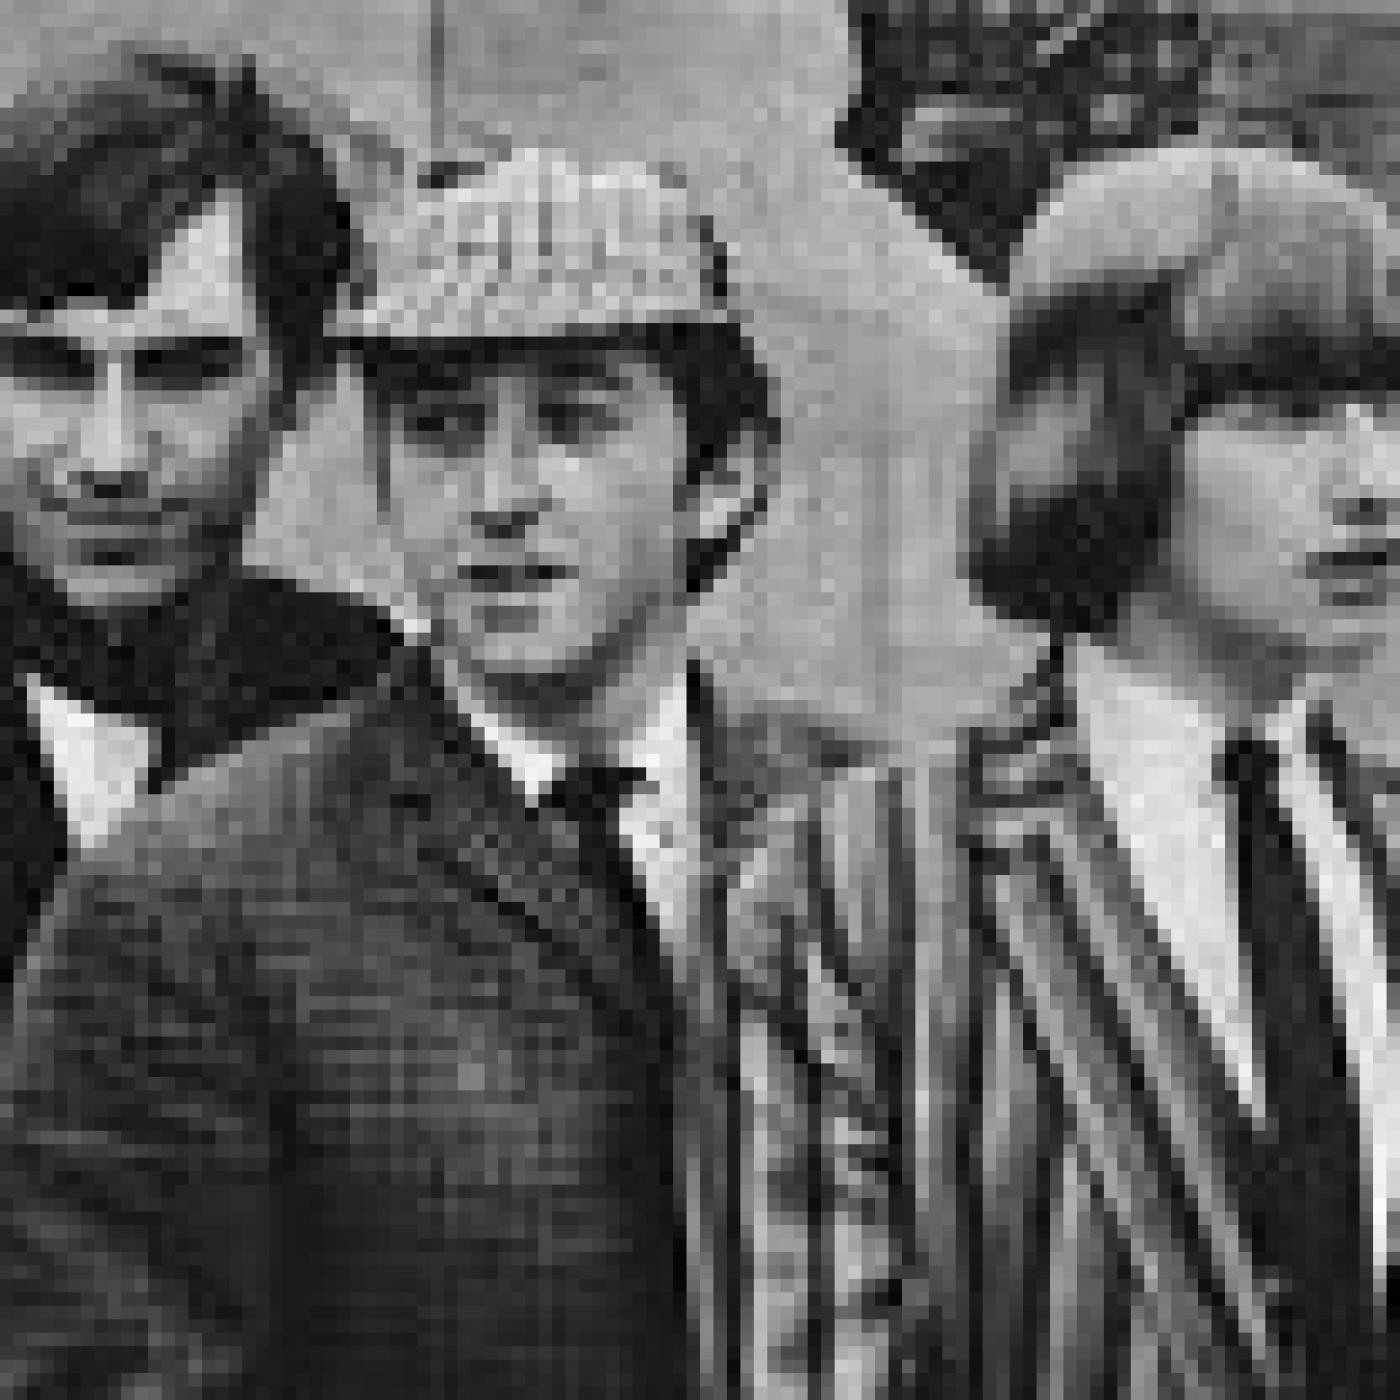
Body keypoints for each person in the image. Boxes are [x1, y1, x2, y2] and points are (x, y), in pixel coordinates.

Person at [1, 146, 910, 1397]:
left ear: (724, 475)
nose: (498, 496)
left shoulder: (883, 842)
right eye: (440, 429)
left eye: (574, 420)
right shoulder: (186, 901)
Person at [955, 140, 1396, 1398]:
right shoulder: (844, 896)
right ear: (1102, 431)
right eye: (1286, 412)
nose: (1375, 481)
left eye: (1389, 405)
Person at [0, 45, 404, 986]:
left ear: (305, 382)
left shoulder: (379, 705)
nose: (109, 457)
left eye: (183, 371)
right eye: (47, 368)